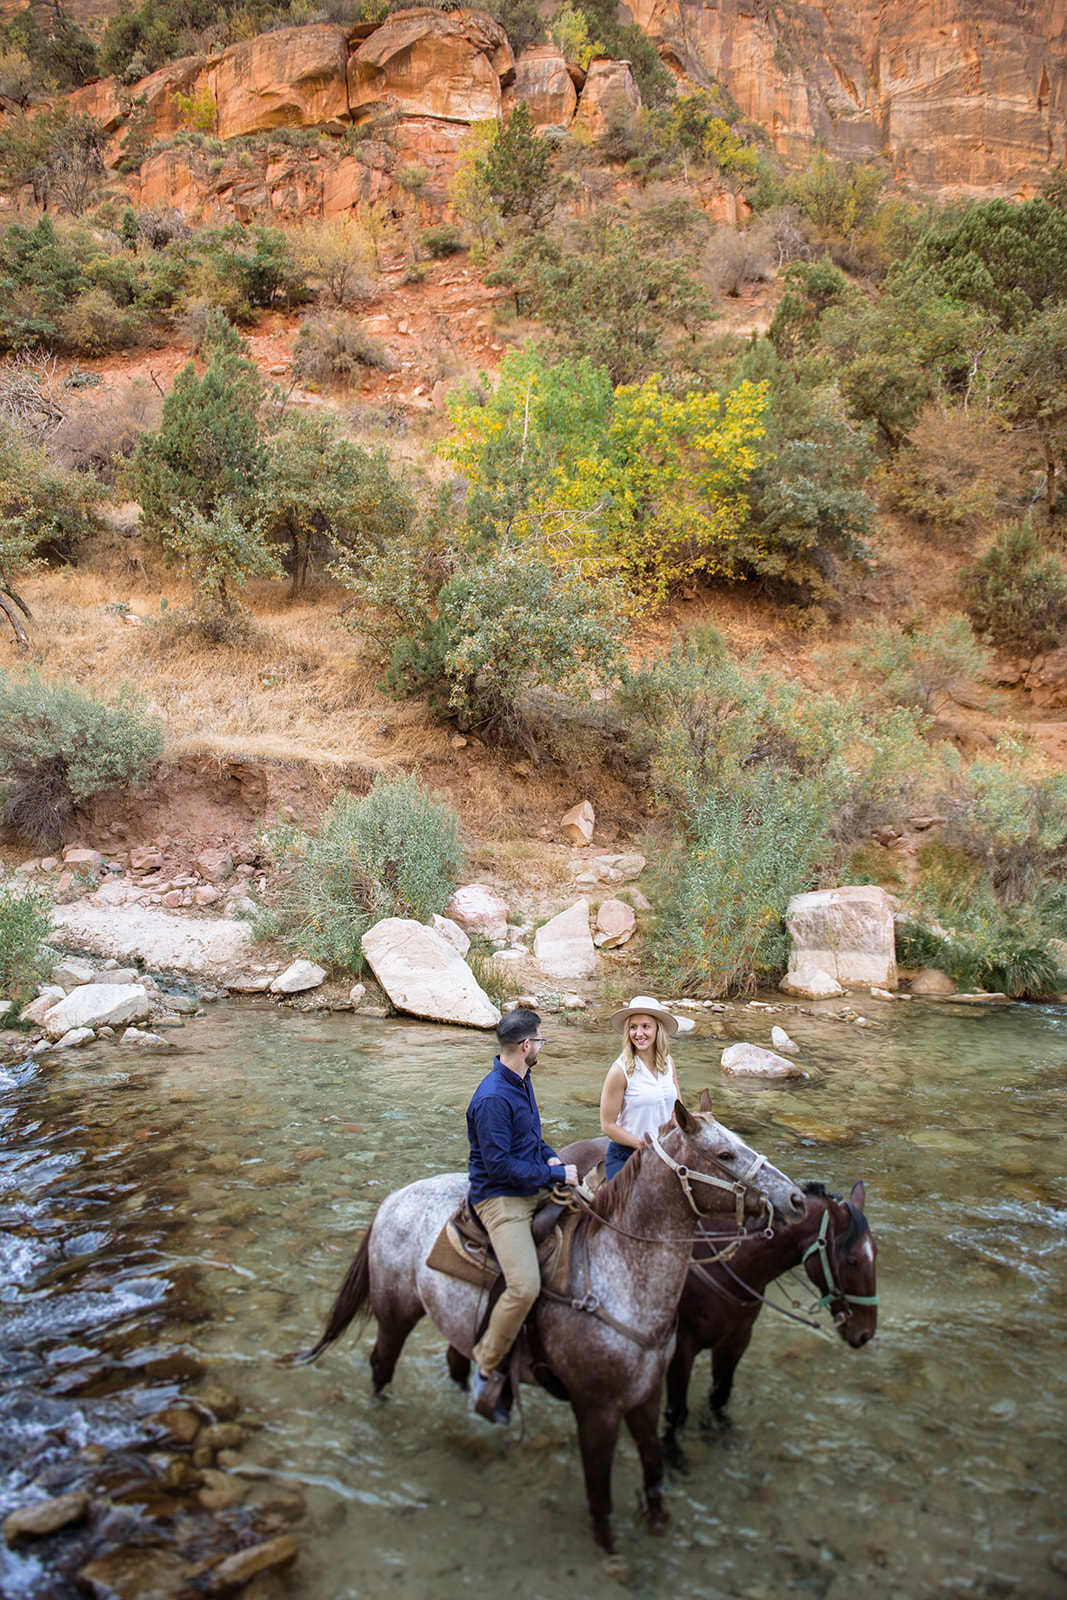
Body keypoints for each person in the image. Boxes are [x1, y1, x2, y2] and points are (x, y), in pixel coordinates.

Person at [466, 1007, 578, 1424]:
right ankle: (485, 1363)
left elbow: (532, 1136)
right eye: (541, 1041)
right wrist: (554, 1174)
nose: (541, 1046)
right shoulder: (493, 1097)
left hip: (530, 1182)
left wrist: (550, 1156)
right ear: (526, 1045)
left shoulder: (521, 1079)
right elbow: (498, 1168)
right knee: (525, 1286)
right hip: (500, 1199)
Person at [600, 995, 681, 1182]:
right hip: (628, 1155)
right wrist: (645, 1146)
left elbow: (677, 1110)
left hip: (668, 1153)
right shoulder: (619, 1071)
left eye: (646, 1026)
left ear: (657, 1029)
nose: (639, 1033)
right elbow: (608, 1125)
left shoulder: (668, 1063)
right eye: (633, 1027)